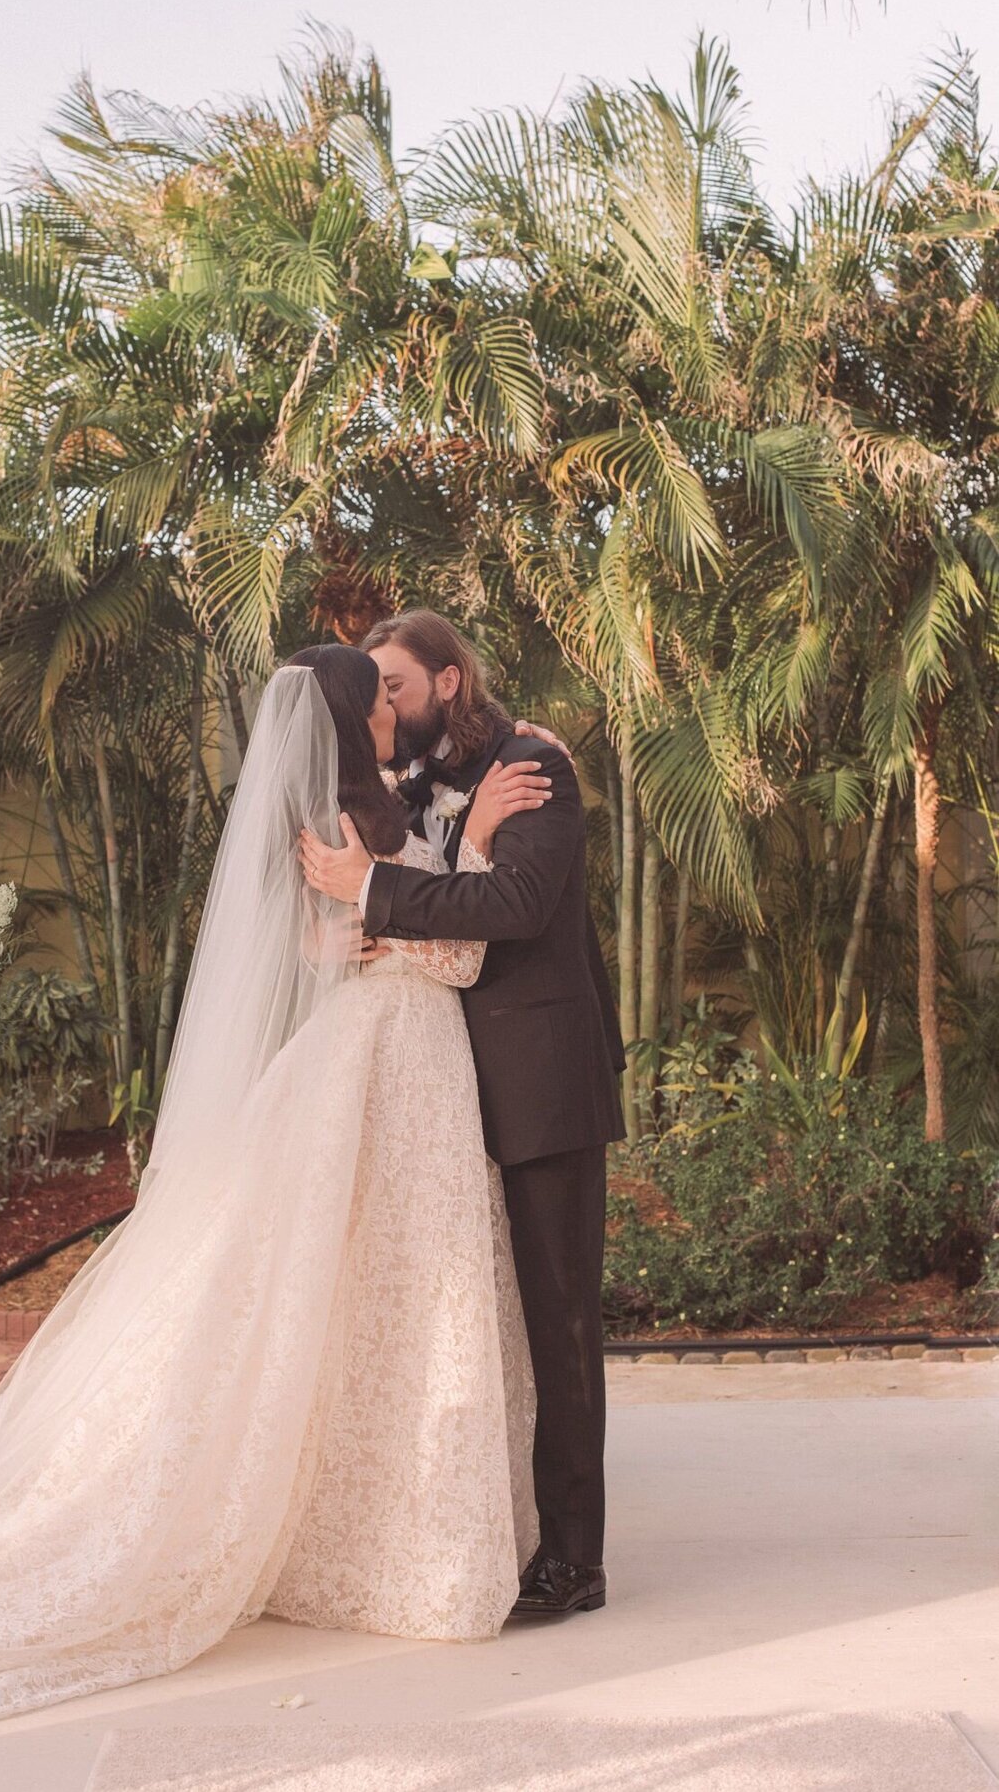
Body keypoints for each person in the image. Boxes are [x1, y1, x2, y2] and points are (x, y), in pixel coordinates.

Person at [0, 649, 541, 1742]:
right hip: (386, 1059)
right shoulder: (348, 819)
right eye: (380, 695)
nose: (397, 706)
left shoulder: (377, 807)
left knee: (375, 1304)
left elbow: (361, 937)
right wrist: (466, 862)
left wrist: (409, 899)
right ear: (348, 713)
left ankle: (371, 1527)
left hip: (400, 1068)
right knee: (368, 1295)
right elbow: (440, 959)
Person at [299, 611, 627, 1618]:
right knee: (470, 1330)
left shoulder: (535, 767)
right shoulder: (389, 787)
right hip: (434, 1097)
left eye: (393, 684)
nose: (380, 702)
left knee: (558, 1317)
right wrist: (350, 917)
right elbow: (346, 902)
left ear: (446, 681)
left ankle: (575, 1560)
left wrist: (377, 891)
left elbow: (516, 907)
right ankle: (498, 1525)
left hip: (536, 1086)